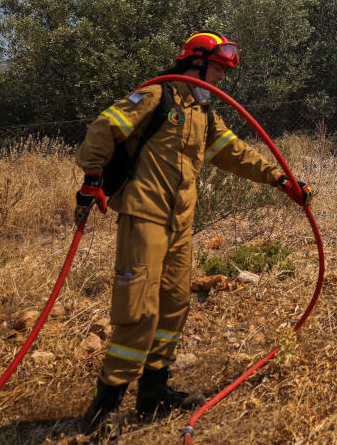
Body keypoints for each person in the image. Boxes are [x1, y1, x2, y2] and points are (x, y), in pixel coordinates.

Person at [73, 32, 313, 440]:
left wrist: (278, 178)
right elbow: (103, 128)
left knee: (174, 303)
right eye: (218, 67)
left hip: (180, 222)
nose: (221, 76)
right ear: (196, 63)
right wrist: (92, 177)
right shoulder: (155, 96)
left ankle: (153, 392)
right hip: (144, 215)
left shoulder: (203, 109)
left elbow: (233, 152)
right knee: (138, 309)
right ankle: (104, 408)